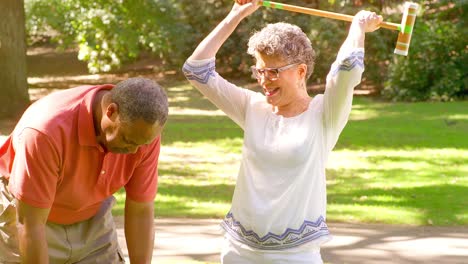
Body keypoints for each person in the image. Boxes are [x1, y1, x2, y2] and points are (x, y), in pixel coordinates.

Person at [182, 0, 382, 263]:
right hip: (238, 252)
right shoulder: (252, 107)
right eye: (260, 70)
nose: (264, 80)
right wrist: (236, 15)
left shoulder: (324, 113)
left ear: (300, 71)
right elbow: (196, 70)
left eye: (273, 72)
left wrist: (358, 27)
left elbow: (345, 70)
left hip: (296, 256)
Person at [0, 77, 168, 263]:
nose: (134, 151)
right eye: (127, 140)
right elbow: (30, 225)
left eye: (142, 143)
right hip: (30, 217)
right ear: (110, 111)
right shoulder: (46, 132)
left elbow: (141, 210)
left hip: (93, 219)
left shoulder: (141, 135)